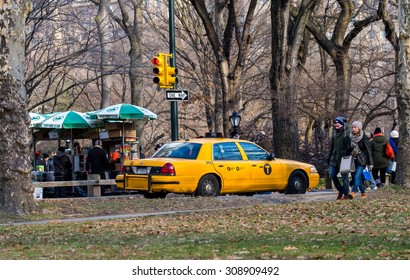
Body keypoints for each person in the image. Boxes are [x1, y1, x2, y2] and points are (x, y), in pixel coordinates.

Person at [327, 116, 352, 200]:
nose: (335, 126)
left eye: (337, 124)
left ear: (342, 124)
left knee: (345, 177)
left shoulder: (348, 132)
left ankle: (346, 194)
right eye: (335, 125)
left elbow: (352, 145)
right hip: (334, 159)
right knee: (332, 174)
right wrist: (329, 157)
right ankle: (341, 190)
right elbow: (332, 146)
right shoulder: (334, 132)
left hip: (344, 159)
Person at [347, 121, 373, 199]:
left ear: (359, 128)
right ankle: (363, 193)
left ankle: (354, 191)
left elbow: (369, 150)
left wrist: (370, 163)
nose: (353, 129)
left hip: (362, 160)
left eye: (355, 127)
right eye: (352, 127)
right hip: (353, 160)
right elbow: (347, 149)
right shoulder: (350, 137)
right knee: (356, 177)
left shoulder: (363, 137)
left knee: (357, 175)